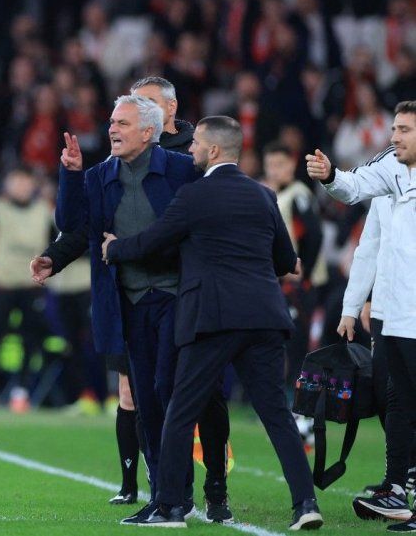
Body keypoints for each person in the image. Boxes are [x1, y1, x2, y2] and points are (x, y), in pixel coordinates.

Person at [104, 116, 321, 530]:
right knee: (277, 414)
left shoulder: (193, 195)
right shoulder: (263, 195)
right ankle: (306, 504)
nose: (191, 150)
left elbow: (154, 240)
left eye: (197, 144)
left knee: (180, 411)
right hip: (264, 316)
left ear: (215, 150)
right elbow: (284, 260)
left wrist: (115, 249)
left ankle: (170, 508)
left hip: (212, 317)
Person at [53, 93, 232, 524]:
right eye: (112, 122)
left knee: (171, 391)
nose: (112, 129)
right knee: (148, 401)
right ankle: (170, 496)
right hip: (128, 301)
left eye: (123, 123)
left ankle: (191, 494)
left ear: (149, 132)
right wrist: (71, 175)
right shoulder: (99, 175)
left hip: (176, 295)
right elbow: (72, 225)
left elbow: (211, 217)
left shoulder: (182, 170)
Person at [307, 101, 416, 532]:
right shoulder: (390, 169)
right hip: (391, 313)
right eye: (394, 128)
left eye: (405, 130)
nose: (394, 137)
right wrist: (330, 176)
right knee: (396, 401)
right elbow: (357, 206)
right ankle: (397, 488)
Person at [0, 165, 54, 413]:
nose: (21, 187)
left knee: (30, 338)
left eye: (25, 182)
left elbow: (61, 241)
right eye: (16, 181)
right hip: (3, 283)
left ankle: (21, 393)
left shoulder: (45, 211)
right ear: (7, 184)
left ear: (33, 185)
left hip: (32, 284)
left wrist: (51, 267)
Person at [262, 142, 327, 392]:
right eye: (270, 165)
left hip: (300, 284)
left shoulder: (298, 194)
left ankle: (296, 399)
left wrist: (304, 272)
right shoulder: (275, 194)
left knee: (296, 341)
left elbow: (314, 235)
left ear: (292, 164)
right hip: (282, 282)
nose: (274, 170)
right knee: (283, 340)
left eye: (279, 164)